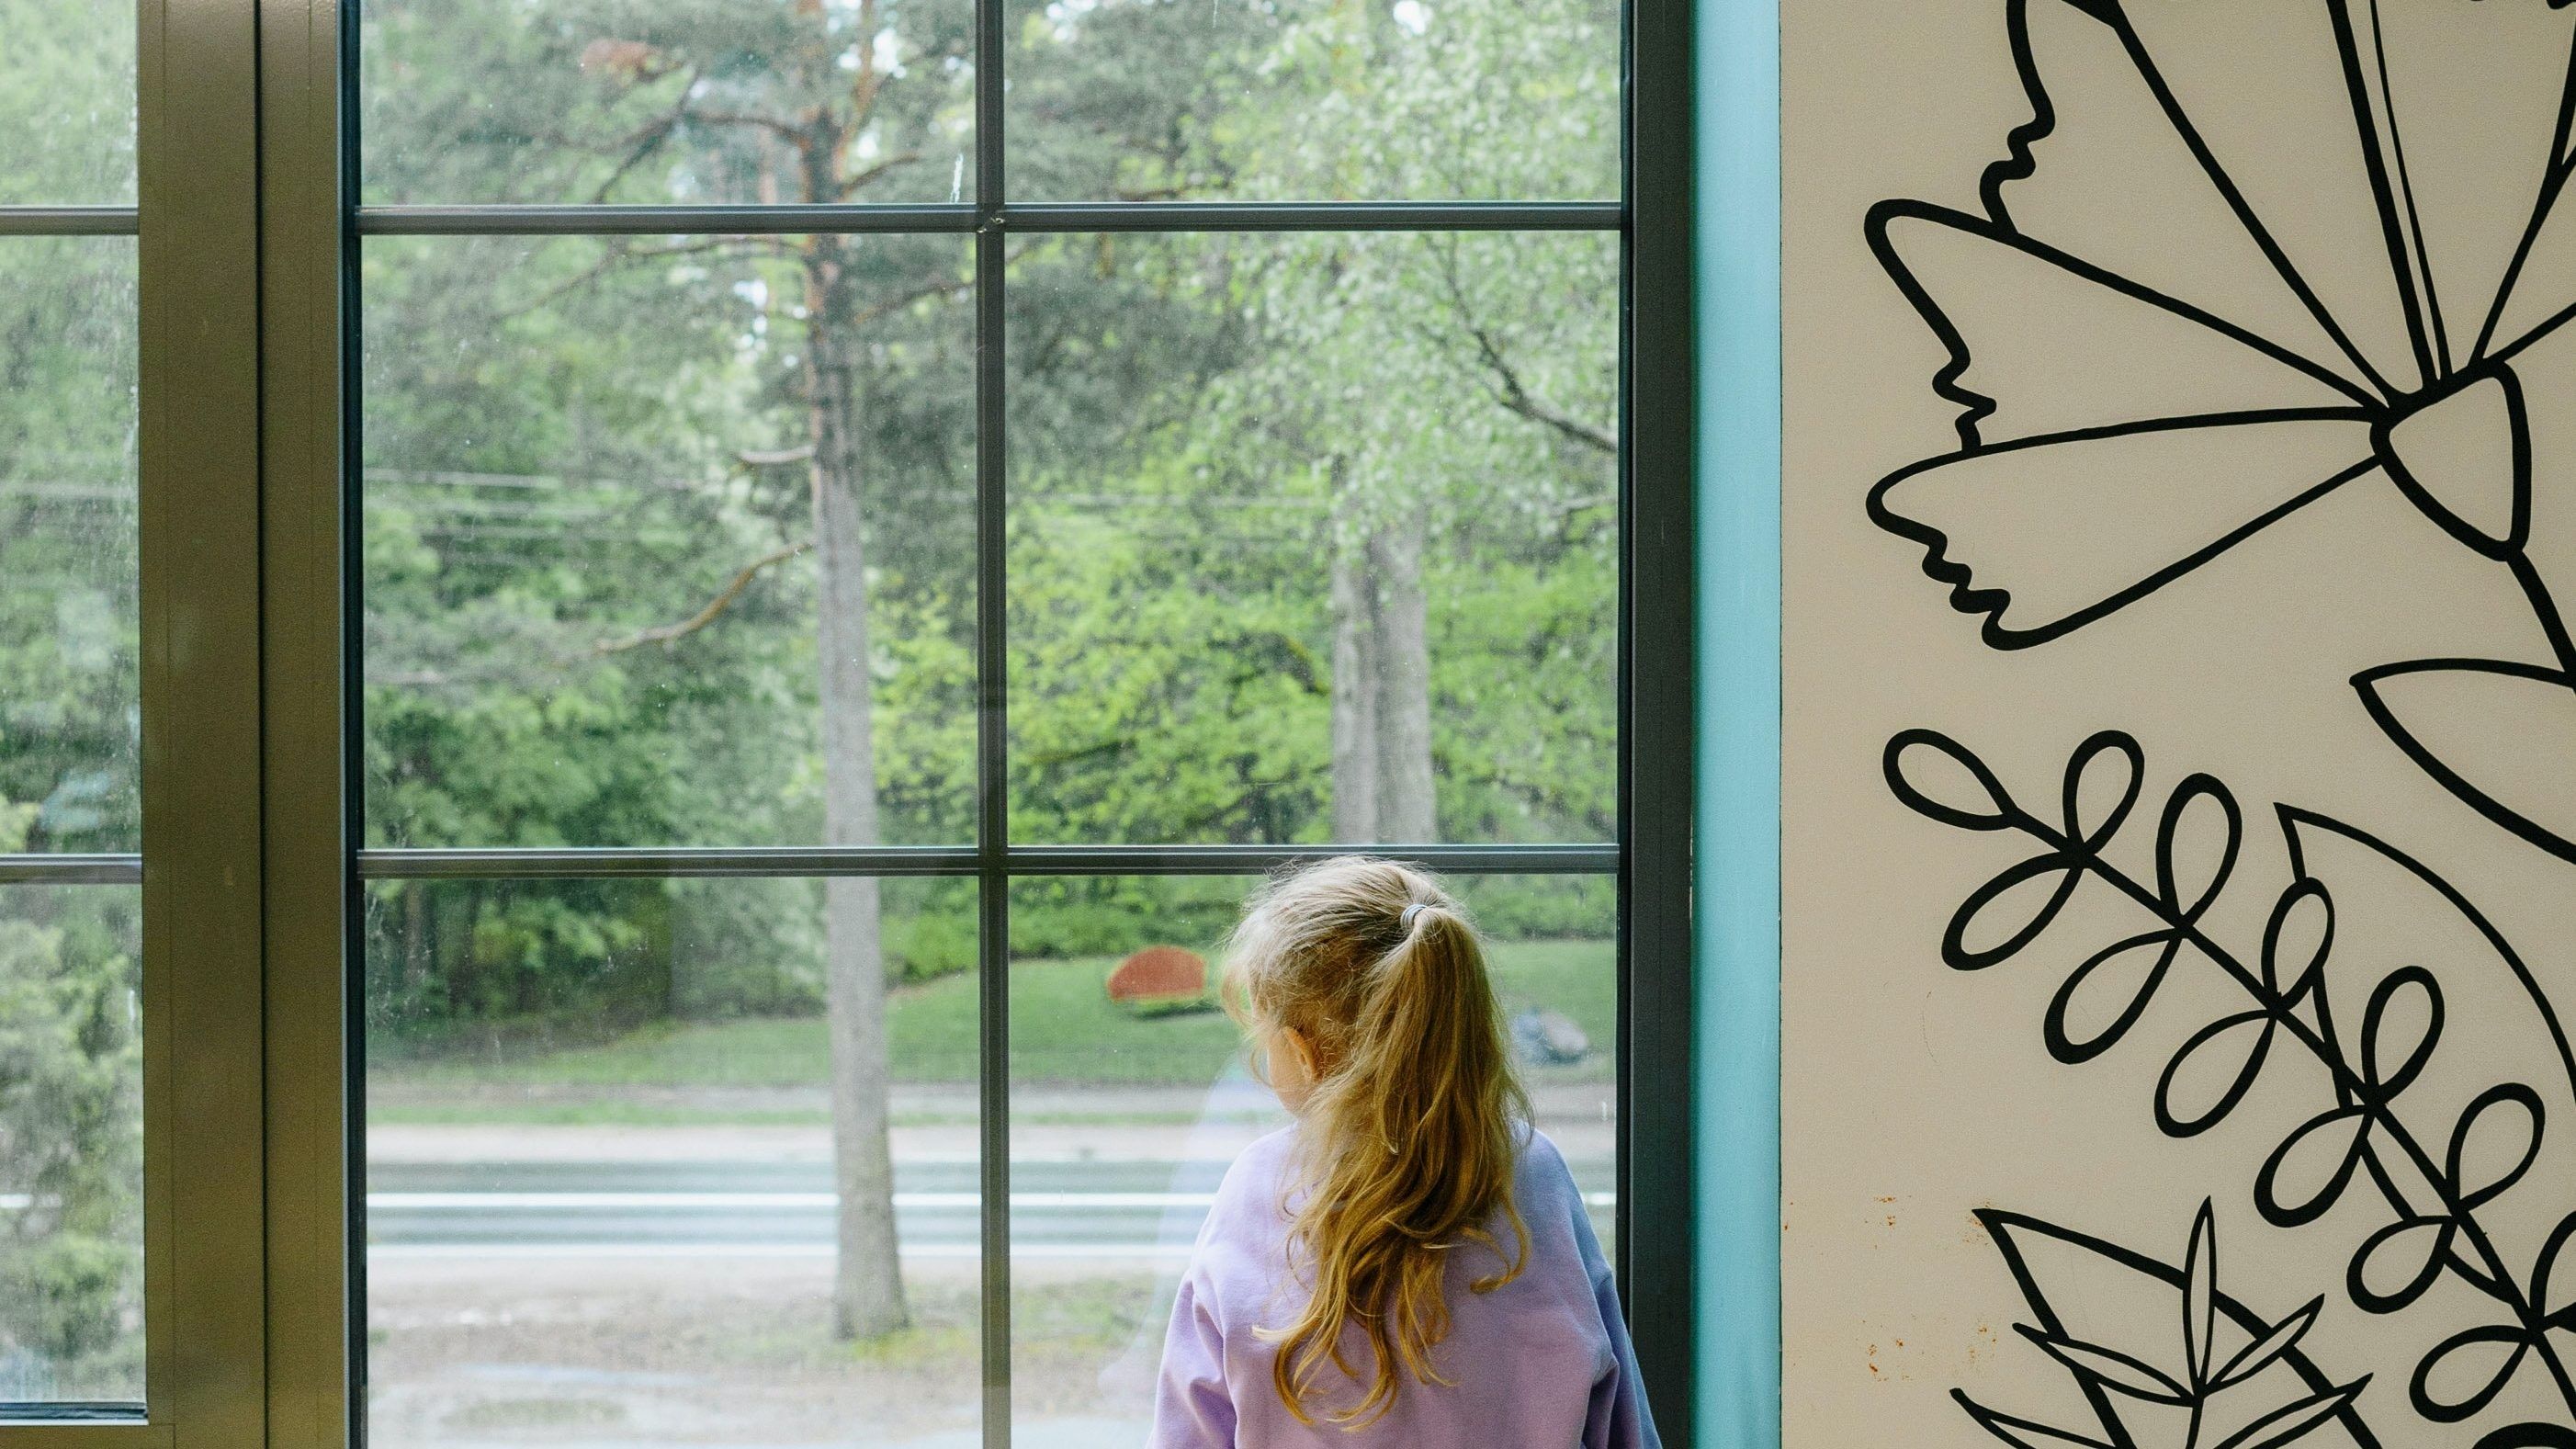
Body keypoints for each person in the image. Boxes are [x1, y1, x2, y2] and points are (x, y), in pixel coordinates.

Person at [1149, 857, 1660, 1447]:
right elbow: (1619, 1423)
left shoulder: (1259, 1185)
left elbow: (1189, 1430)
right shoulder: (1532, 1170)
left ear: (1301, 1052)